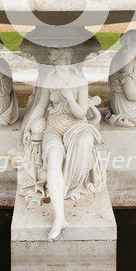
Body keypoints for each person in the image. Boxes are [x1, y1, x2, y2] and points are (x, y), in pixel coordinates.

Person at [21, 47, 104, 241]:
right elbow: (41, 107)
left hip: (76, 126)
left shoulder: (80, 81)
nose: (63, 63)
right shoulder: (48, 80)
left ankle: (67, 186)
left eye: (66, 59)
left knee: (85, 140)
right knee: (53, 156)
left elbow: (82, 113)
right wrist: (26, 129)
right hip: (54, 127)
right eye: (59, 60)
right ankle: (60, 218)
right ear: (53, 60)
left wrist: (69, 97)